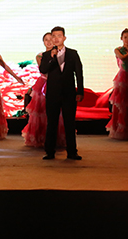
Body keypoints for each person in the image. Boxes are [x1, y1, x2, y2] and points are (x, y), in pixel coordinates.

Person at [39, 26, 84, 160]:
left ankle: (72, 152)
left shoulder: (73, 53)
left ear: (64, 38)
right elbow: (43, 69)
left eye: (59, 36)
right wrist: (51, 57)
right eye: (54, 36)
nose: (56, 39)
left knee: (69, 123)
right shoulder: (47, 55)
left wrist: (80, 91)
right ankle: (49, 152)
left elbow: (79, 73)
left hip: (68, 93)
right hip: (52, 94)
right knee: (52, 123)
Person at [22, 32, 65, 148]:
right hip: (43, 84)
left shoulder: (60, 54)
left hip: (55, 83)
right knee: (40, 111)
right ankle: (40, 138)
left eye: (51, 39)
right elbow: (44, 70)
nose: (49, 41)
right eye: (46, 39)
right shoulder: (40, 56)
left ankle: (54, 139)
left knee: (55, 112)